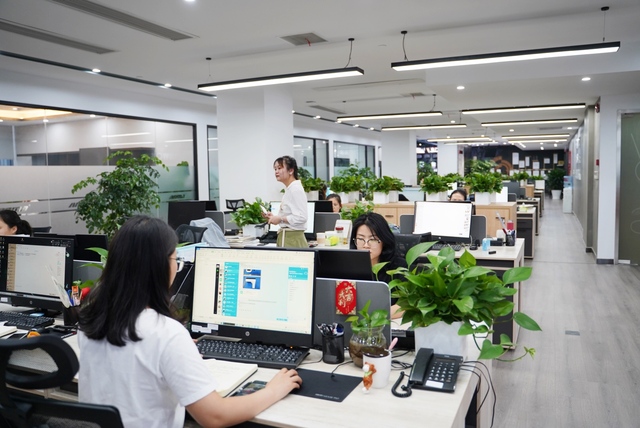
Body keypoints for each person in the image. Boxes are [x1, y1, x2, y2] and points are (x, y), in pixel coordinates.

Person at [77, 216, 301, 428]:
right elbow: (215, 416)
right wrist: (274, 390)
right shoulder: (165, 333)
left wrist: (178, 354)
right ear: (159, 267)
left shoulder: (91, 319)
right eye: (176, 259)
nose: (177, 266)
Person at [350, 212, 407, 319]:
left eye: (373, 239)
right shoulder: (348, 266)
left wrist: (374, 318)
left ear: (384, 241)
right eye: (360, 239)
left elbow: (405, 305)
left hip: (387, 323)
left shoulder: (397, 266)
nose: (366, 245)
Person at [263, 156, 308, 248]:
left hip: (292, 239)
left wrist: (281, 219)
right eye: (275, 169)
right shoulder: (290, 189)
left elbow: (302, 217)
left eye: (279, 168)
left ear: (291, 170)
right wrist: (275, 218)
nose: (276, 172)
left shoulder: (295, 189)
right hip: (287, 237)